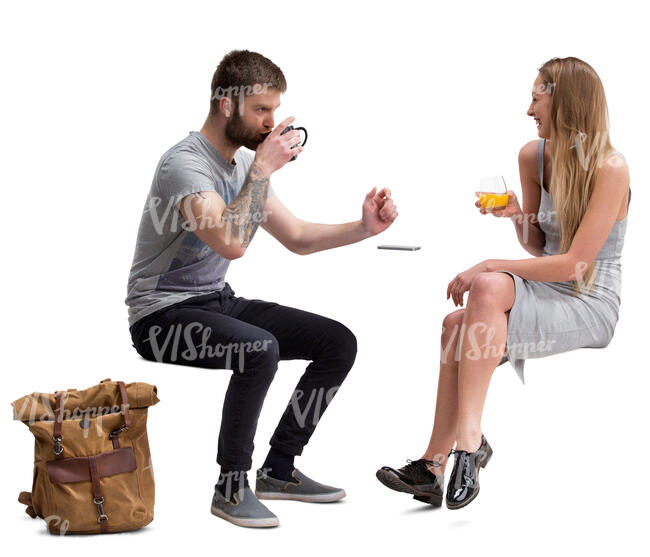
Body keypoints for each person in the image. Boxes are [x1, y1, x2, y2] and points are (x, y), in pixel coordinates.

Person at [125, 50, 398, 527]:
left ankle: (279, 469)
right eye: (262, 110)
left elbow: (298, 238)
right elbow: (231, 243)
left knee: (336, 342)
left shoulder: (244, 166)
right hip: (158, 317)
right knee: (259, 348)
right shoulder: (184, 166)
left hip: (213, 302)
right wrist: (262, 171)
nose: (271, 123)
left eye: (274, 110)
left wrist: (364, 227)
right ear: (227, 105)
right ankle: (230, 487)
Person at [376, 56, 630, 510]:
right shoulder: (532, 156)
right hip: (548, 284)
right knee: (457, 325)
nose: (529, 110)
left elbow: (573, 265)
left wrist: (488, 263)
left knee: (489, 285)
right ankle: (437, 466)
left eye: (537, 98)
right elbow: (539, 247)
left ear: (566, 103)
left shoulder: (610, 168)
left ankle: (464, 447)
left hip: (590, 297)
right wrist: (517, 215)